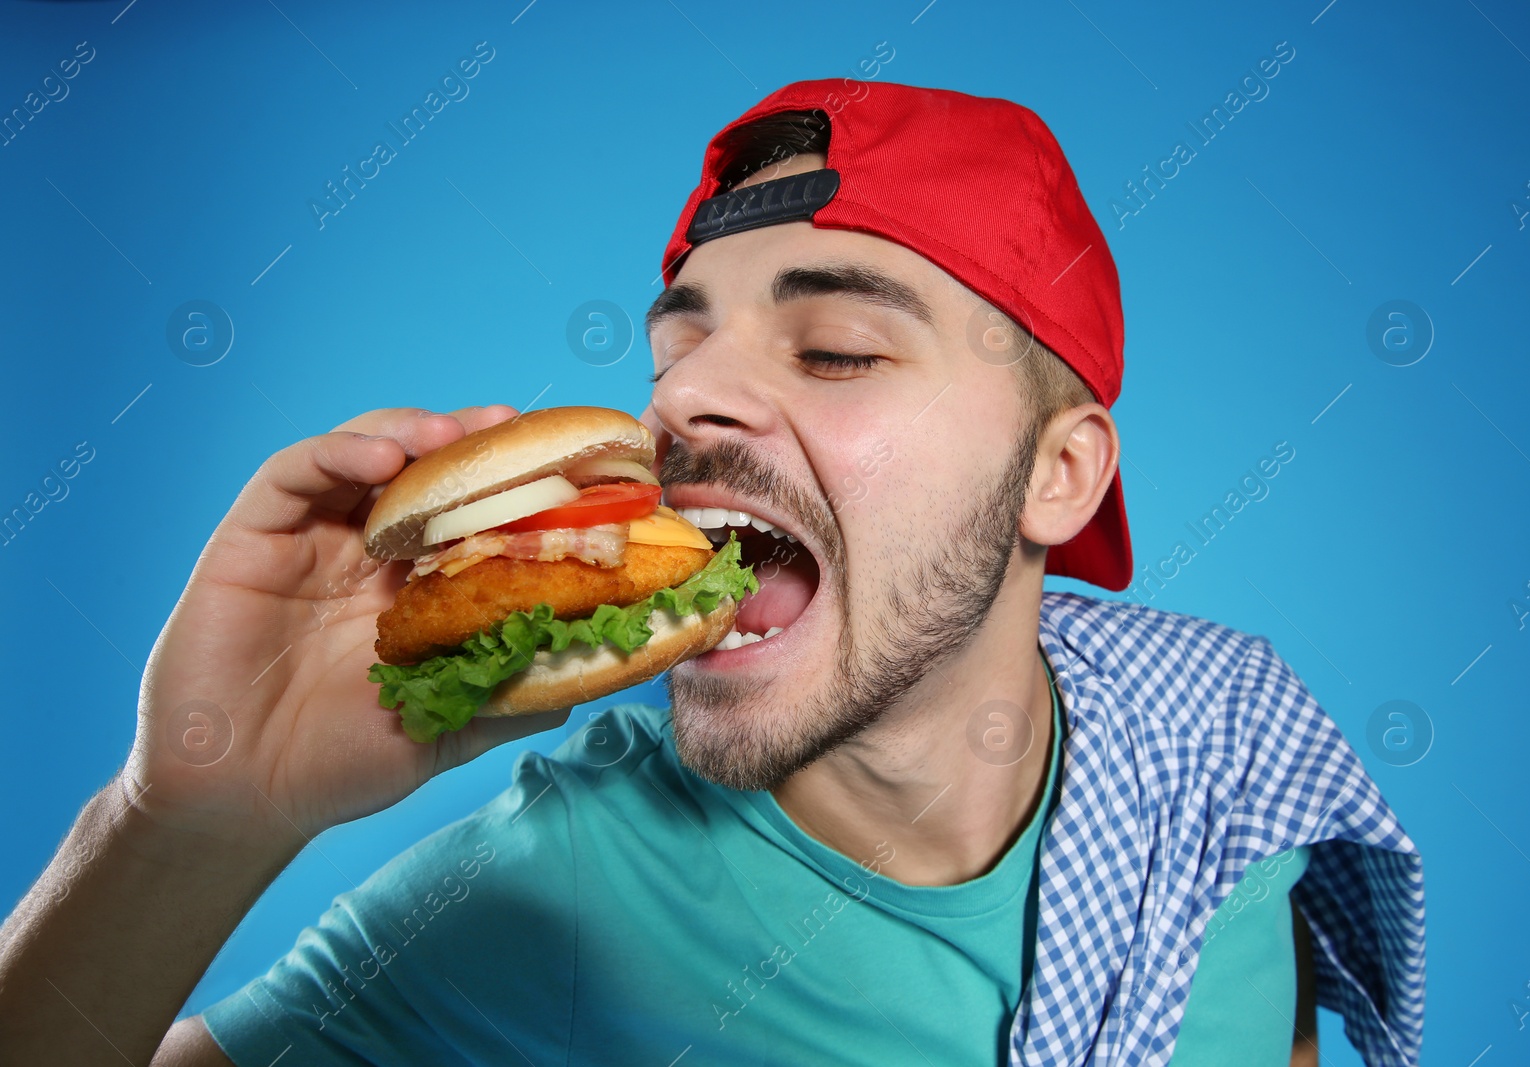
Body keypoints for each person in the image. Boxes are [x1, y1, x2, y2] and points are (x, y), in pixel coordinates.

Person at [0, 79, 1423, 1066]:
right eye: (680, 348)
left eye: (839, 350)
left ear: (1062, 475)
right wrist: (179, 818)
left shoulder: (1226, 752)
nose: (682, 410)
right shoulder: (550, 893)